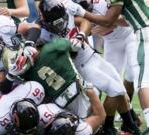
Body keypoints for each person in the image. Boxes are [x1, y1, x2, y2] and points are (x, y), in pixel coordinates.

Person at [31, 0, 141, 134]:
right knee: (115, 90)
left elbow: (86, 21)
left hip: (92, 56)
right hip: (80, 65)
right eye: (55, 24)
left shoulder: (68, 9)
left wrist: (81, 35)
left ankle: (129, 124)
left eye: (61, 21)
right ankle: (108, 127)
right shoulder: (39, 31)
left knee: (120, 88)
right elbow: (31, 39)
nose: (60, 26)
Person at [65, 0, 149, 134]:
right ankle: (124, 121)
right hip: (107, 44)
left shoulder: (100, 3)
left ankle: (126, 122)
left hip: (128, 36)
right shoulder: (69, 10)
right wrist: (92, 27)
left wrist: (97, 25)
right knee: (115, 87)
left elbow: (119, 22)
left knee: (132, 76)